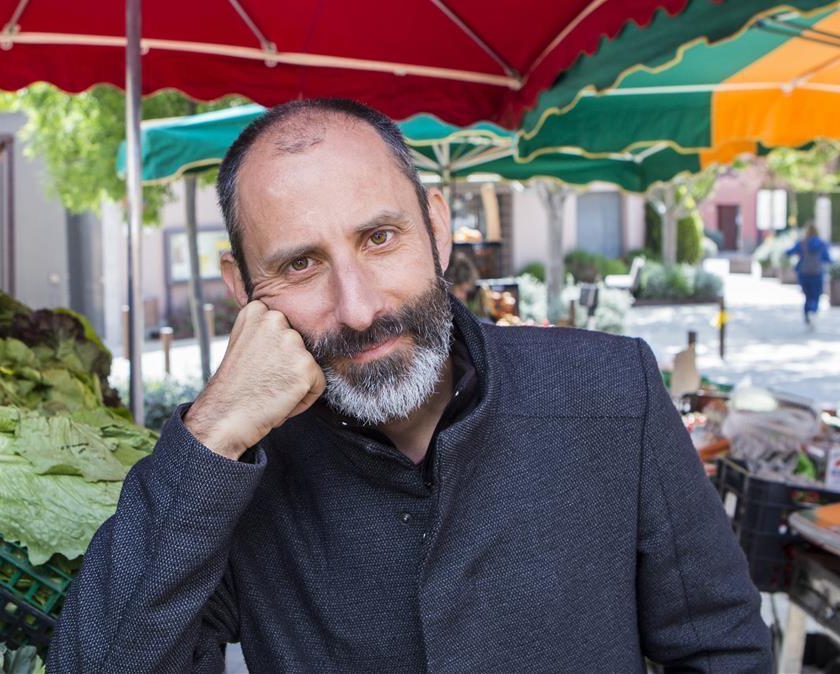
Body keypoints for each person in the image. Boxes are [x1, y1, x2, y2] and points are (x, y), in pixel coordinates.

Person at [48, 99, 769, 672]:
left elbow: (723, 648)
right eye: (300, 264)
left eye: (379, 238)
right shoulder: (228, 471)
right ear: (242, 289)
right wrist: (209, 437)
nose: (359, 307)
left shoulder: (612, 391)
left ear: (437, 227)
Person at [785, 223, 833, 328]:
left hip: (804, 273)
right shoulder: (821, 243)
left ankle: (807, 313)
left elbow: (789, 252)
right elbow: (827, 259)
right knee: (816, 296)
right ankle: (813, 310)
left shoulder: (802, 243)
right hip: (817, 273)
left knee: (807, 296)